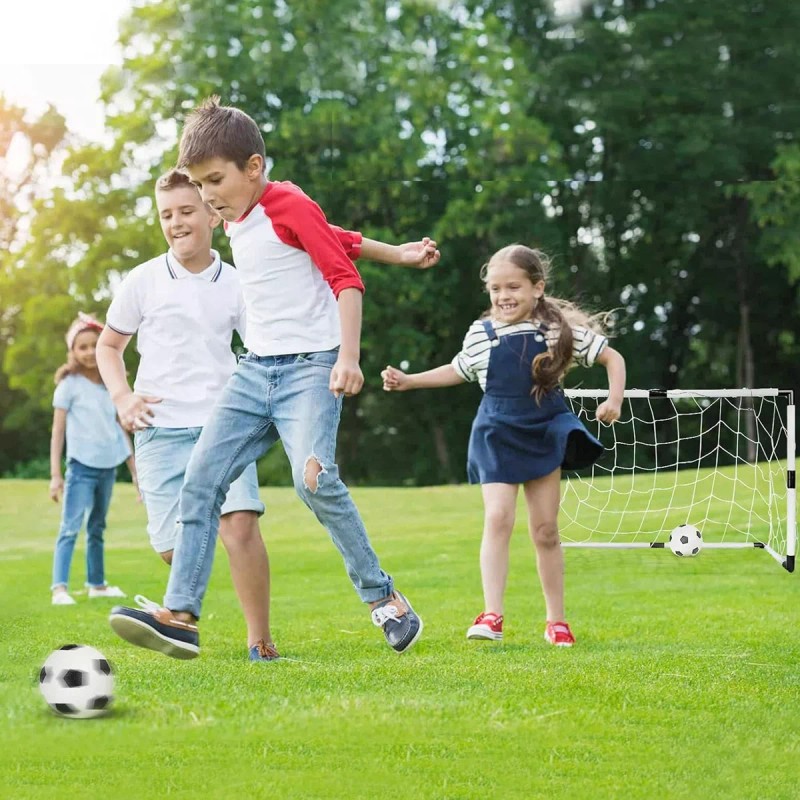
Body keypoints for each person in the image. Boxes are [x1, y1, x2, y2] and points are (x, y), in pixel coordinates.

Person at [108, 97, 435, 659]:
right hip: (255, 374)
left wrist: (348, 357)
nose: (207, 197)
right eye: (199, 185)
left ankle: (386, 600)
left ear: (253, 168)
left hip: (312, 369)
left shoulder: (286, 200)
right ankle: (181, 616)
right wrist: (400, 254)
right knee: (202, 480)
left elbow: (344, 276)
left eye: (214, 181)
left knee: (314, 481)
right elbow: (339, 235)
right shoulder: (242, 216)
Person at [382, 244, 626, 647]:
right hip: (496, 432)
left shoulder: (557, 330)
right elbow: (457, 369)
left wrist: (613, 400)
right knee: (498, 519)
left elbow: (612, 358)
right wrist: (410, 381)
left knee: (545, 530)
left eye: (513, 286)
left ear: (537, 287)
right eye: (495, 289)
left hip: (544, 429)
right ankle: (492, 615)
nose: (503, 296)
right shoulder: (482, 334)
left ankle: (557, 621)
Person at [49, 313, 135, 605]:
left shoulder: (111, 385)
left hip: (108, 467)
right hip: (81, 468)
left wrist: (135, 473)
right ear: (72, 351)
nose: (87, 352)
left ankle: (96, 584)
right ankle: (59, 588)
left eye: (93, 345)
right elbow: (57, 433)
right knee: (70, 527)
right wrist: (55, 475)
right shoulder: (69, 386)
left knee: (97, 528)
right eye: (81, 347)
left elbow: (121, 428)